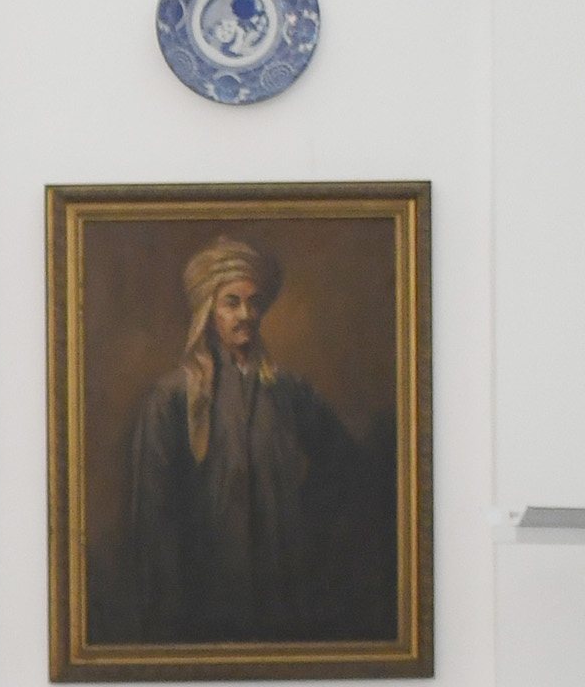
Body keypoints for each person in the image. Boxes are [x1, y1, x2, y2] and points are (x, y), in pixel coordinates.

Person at [107, 234, 389, 648]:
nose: (246, 314)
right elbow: (154, 517)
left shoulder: (289, 391)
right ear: (209, 311)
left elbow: (344, 466)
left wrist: (301, 517)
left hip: (285, 597)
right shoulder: (171, 398)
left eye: (254, 302)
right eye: (232, 302)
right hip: (202, 601)